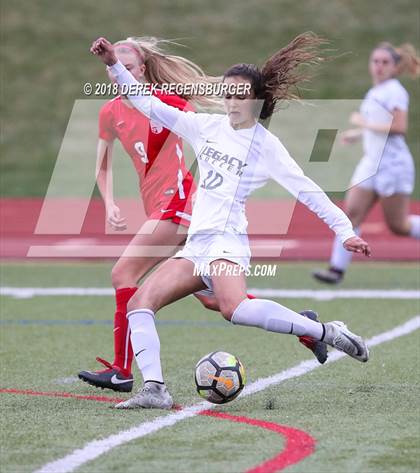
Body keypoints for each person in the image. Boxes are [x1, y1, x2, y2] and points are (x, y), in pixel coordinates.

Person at [90, 34, 371, 410]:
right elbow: (146, 102)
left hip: (228, 241)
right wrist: (112, 63)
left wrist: (345, 231)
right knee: (140, 303)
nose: (233, 101)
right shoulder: (205, 127)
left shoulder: (264, 145)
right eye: (228, 93)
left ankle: (326, 332)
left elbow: (307, 190)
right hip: (196, 246)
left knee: (233, 309)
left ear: (256, 99)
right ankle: (154, 389)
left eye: (241, 94)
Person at [79, 37, 226, 393]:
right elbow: (102, 166)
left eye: (127, 67)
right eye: (114, 67)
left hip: (180, 205)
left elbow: (207, 136)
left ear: (142, 71)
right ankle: (307, 329)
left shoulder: (164, 102)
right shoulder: (110, 111)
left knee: (123, 273)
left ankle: (121, 370)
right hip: (161, 210)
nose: (120, 74)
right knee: (215, 299)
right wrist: (111, 203)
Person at [313, 42, 420, 284]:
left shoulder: (395, 91)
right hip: (371, 163)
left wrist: (363, 124)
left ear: (394, 67)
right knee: (351, 215)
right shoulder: (374, 93)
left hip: (392, 166)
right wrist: (358, 133)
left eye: (385, 63)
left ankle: (336, 269)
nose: (379, 67)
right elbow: (378, 126)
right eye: (376, 61)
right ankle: (336, 270)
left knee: (399, 226)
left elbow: (399, 127)